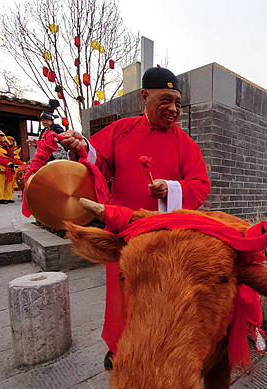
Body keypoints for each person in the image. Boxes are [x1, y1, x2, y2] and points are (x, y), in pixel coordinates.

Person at [59, 67, 211, 366]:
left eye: (178, 103)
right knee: (122, 291)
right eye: (166, 100)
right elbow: (97, 163)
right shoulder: (121, 130)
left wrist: (171, 189)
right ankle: (119, 346)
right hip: (122, 230)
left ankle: (156, 346)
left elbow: (200, 185)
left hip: (162, 237)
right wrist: (82, 147)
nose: (173, 109)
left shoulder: (187, 145)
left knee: (159, 294)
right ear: (144, 96)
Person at [0, 131, 25, 204]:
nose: (1, 137)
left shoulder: (6, 147)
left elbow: (11, 158)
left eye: (2, 136)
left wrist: (22, 163)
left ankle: (7, 197)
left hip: (9, 168)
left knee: (9, 184)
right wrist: (7, 163)